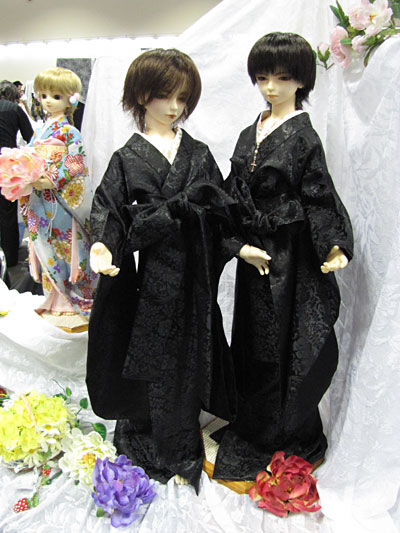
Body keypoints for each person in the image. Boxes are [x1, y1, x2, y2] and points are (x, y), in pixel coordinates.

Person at [86, 48, 241, 492]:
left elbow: (220, 210)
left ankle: (182, 429)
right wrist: (103, 245)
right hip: (150, 279)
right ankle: (146, 430)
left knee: (190, 351)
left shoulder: (198, 153)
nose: (174, 107)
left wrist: (238, 244)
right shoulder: (127, 157)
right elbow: (110, 209)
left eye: (182, 98)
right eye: (164, 96)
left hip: (193, 274)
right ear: (141, 96)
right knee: (149, 354)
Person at [212, 32, 354, 481]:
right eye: (262, 78)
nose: (271, 87)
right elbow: (232, 193)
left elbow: (318, 195)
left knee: (283, 345)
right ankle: (253, 424)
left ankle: (285, 432)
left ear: (301, 80)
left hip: (291, 260)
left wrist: (333, 245)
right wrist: (236, 243)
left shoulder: (304, 136)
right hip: (254, 254)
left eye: (282, 77)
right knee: (251, 340)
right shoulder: (248, 132)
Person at [19, 67, 96, 324]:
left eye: (56, 96)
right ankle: (53, 297)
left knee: (66, 247)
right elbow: (28, 157)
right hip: (40, 200)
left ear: (70, 99)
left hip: (61, 201)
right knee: (45, 246)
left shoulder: (70, 132)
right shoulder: (39, 131)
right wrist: (24, 175)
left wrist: (50, 178)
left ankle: (72, 298)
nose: (48, 101)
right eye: (44, 96)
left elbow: (76, 163)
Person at [0, 81, 33, 269]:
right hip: (6, 165)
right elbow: (31, 137)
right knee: (7, 213)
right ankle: (10, 257)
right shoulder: (15, 109)